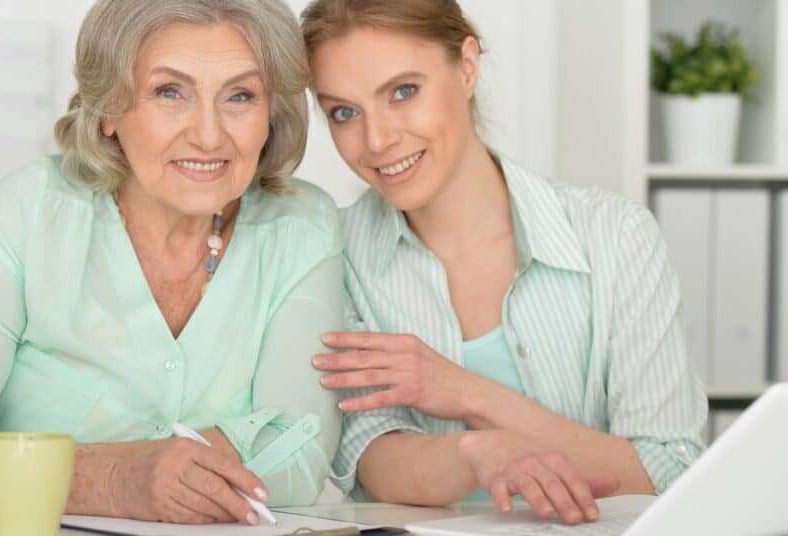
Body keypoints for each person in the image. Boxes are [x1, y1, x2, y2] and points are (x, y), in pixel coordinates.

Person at [0, 0, 344, 525]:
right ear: (109, 108)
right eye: (170, 92)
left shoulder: (303, 225)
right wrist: (111, 479)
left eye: (240, 95)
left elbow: (300, 453)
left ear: (270, 111)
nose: (209, 135)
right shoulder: (32, 209)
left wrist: (41, 469)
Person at [300, 0, 707, 525]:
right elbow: (368, 457)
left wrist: (468, 393)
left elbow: (670, 473)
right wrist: (478, 452)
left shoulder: (616, 238)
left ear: (467, 66)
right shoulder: (336, 254)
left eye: (404, 92)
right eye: (344, 112)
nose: (377, 140)